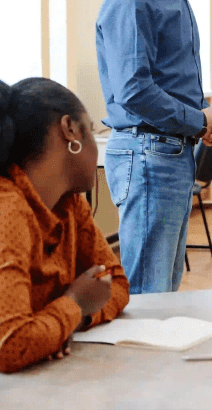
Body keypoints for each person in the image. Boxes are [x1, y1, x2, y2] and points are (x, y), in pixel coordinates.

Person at [96, 0, 212, 294]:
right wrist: (197, 119)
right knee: (148, 295)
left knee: (164, 290)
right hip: (149, 154)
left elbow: (166, 80)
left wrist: (197, 123)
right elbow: (135, 91)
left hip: (170, 152)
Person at [0, 78, 129, 373]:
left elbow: (117, 285)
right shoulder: (8, 207)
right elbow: (11, 347)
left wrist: (68, 322)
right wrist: (74, 303)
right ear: (70, 129)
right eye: (93, 129)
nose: (97, 144)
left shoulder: (70, 204)